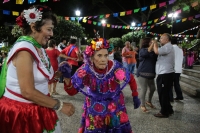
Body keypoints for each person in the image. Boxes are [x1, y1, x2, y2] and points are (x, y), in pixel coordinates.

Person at [0, 5, 75, 133]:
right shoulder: (24, 51)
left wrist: (59, 73)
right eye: (49, 29)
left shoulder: (37, 47)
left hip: (38, 106)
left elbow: (42, 78)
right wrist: (60, 105)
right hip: (22, 112)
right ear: (34, 27)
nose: (52, 34)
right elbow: (27, 91)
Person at [59, 37, 141, 132]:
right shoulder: (85, 70)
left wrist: (135, 95)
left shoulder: (114, 66)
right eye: (99, 55)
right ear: (92, 57)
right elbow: (72, 91)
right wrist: (67, 77)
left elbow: (130, 77)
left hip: (114, 109)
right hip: (95, 112)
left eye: (106, 55)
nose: (103, 59)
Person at [153, 33, 175, 118]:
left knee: (162, 93)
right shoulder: (166, 47)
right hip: (164, 73)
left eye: (161, 38)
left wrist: (154, 43)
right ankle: (169, 109)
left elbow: (156, 51)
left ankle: (164, 112)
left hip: (165, 73)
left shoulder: (168, 46)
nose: (160, 40)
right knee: (164, 93)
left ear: (167, 39)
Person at [136, 37, 157, 113]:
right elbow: (146, 53)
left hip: (151, 73)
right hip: (142, 73)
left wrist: (155, 46)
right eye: (151, 42)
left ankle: (148, 101)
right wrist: (153, 44)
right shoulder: (142, 50)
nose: (152, 43)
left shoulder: (153, 51)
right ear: (147, 43)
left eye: (152, 42)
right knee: (144, 89)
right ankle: (142, 105)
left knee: (153, 88)